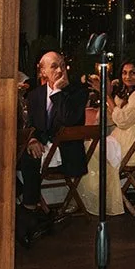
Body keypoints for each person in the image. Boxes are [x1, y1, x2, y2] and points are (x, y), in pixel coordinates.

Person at [20, 51, 89, 227]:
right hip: (43, 148)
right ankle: (29, 208)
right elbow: (32, 126)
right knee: (21, 154)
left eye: (62, 64)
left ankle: (28, 209)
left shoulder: (78, 92)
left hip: (66, 152)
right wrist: (32, 140)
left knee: (30, 159)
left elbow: (68, 120)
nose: (60, 69)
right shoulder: (35, 95)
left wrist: (58, 91)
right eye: (53, 66)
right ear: (43, 72)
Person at [80, 60, 135, 217]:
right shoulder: (127, 95)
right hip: (123, 142)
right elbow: (111, 118)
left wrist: (106, 95)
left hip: (132, 149)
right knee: (89, 144)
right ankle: (93, 197)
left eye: (132, 72)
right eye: (124, 73)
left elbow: (122, 120)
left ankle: (94, 199)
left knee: (89, 148)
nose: (127, 76)